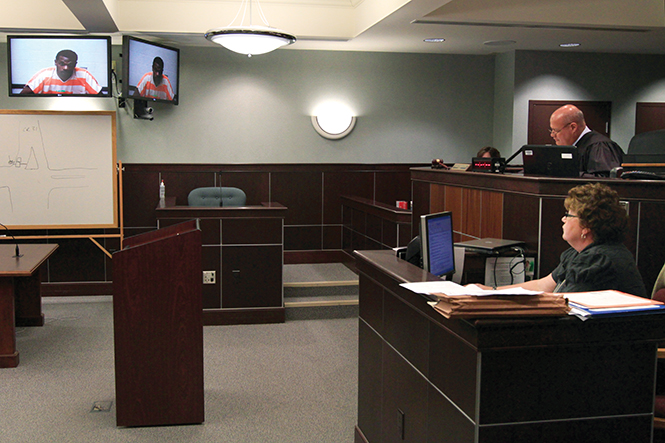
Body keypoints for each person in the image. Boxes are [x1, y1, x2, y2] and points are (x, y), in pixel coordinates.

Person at [479, 183, 646, 297]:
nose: (563, 219)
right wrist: (490, 291)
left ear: (587, 225)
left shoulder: (599, 261)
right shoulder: (579, 253)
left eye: (569, 214)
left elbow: (561, 304)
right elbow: (541, 286)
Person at [549, 104, 624, 177]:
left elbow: (604, 181)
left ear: (573, 127)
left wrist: (570, 174)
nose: (552, 135)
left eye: (556, 131)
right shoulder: (575, 146)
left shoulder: (599, 146)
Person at [20, 49, 102, 95]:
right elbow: (22, 96)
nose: (66, 68)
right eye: (62, 64)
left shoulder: (84, 75)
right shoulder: (44, 75)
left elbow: (101, 97)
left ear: (75, 64)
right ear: (55, 62)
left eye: (70, 65)